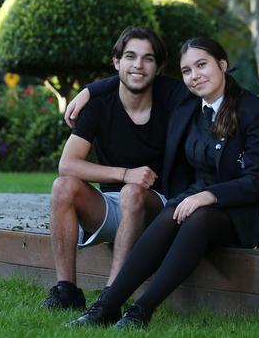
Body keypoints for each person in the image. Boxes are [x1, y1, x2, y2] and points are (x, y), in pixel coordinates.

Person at [67, 37, 259, 329]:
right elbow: (135, 75)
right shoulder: (187, 105)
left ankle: (141, 311)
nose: (194, 76)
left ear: (222, 65)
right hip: (197, 198)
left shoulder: (254, 112)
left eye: (202, 65)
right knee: (172, 213)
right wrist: (88, 91)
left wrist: (208, 195)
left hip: (250, 211)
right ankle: (107, 306)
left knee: (198, 217)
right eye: (186, 71)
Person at [42, 27, 185, 310]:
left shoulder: (171, 99)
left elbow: (206, 87)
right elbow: (66, 164)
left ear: (158, 68)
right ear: (116, 62)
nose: (138, 65)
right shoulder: (98, 107)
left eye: (148, 59)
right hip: (111, 205)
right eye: (130, 57)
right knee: (63, 186)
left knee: (132, 192)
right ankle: (66, 291)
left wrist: (90, 87)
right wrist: (123, 174)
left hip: (159, 209)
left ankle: (111, 296)